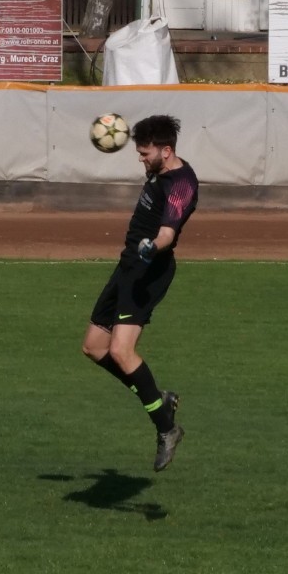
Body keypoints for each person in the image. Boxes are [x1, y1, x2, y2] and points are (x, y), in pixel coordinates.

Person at [80, 115, 199, 472]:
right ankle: (158, 398)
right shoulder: (159, 170)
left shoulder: (181, 184)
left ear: (167, 151)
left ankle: (167, 428)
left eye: (145, 153)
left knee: (121, 350)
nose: (140, 158)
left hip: (150, 271)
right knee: (94, 347)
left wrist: (152, 247)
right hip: (128, 267)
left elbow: (167, 233)